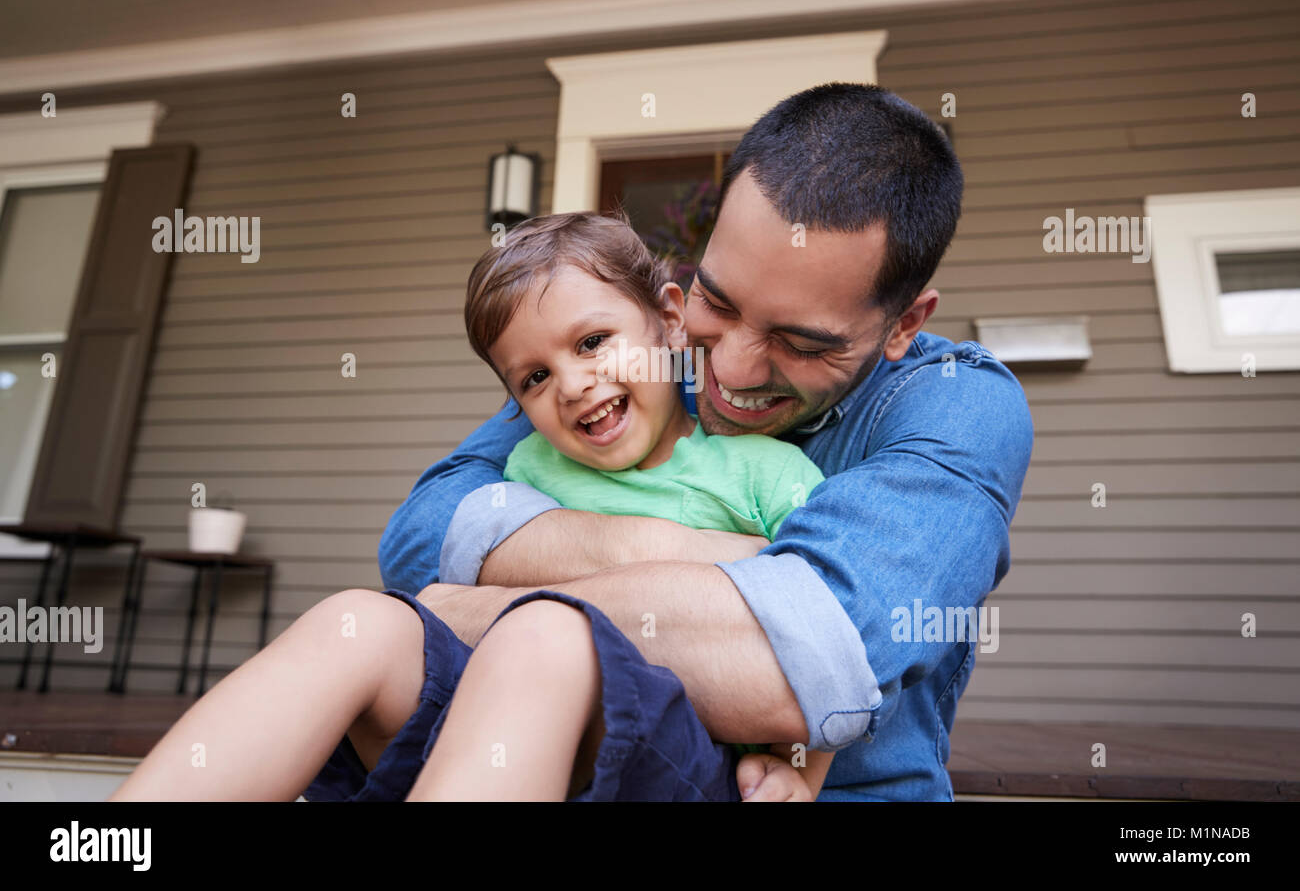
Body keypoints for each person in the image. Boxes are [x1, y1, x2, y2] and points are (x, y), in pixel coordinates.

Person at [381, 82, 1036, 801]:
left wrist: (471, 610)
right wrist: (732, 562)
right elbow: (422, 535)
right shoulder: (639, 368)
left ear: (904, 325)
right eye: (717, 303)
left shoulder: (957, 404)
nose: (725, 370)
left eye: (798, 342)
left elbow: (802, 662)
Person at [110, 212, 829, 802]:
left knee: (545, 627)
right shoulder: (523, 469)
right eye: (535, 376)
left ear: (671, 322)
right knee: (355, 621)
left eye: (593, 342)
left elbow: (839, 634)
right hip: (502, 736)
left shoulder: (766, 475)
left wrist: (801, 768)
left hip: (676, 756)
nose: (574, 384)